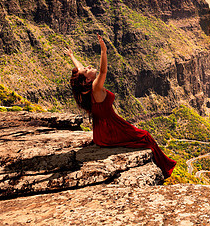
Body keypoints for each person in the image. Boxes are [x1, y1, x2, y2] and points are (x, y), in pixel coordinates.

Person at [67, 34, 176, 178]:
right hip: (111, 130)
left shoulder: (87, 90)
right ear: (87, 79)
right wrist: (103, 51)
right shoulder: (96, 87)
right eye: (87, 70)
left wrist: (71, 56)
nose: (87, 66)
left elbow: (79, 68)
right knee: (145, 136)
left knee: (144, 136)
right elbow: (103, 71)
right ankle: (164, 169)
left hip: (101, 133)